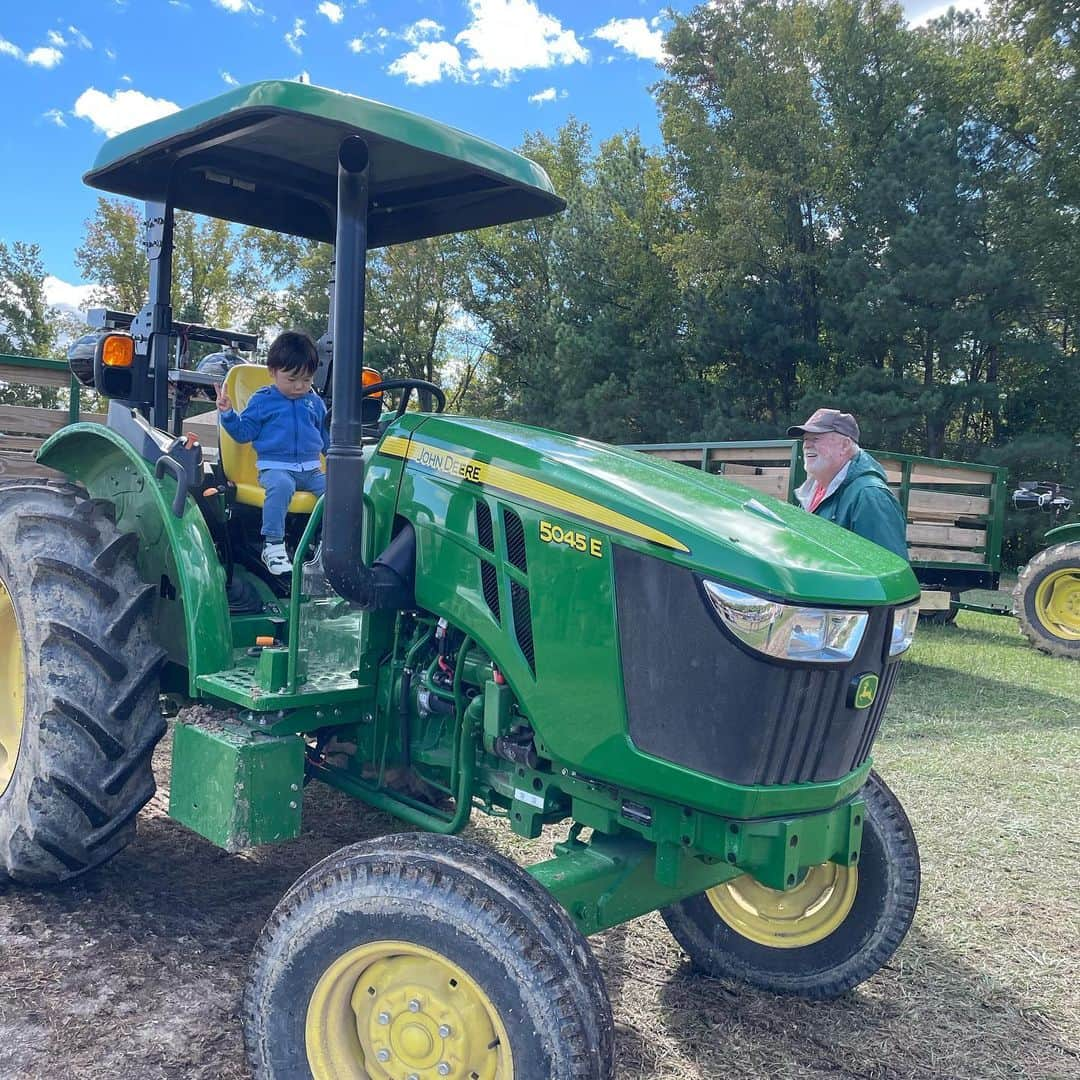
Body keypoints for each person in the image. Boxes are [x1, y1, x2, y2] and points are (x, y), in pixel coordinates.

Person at [216, 330, 328, 575]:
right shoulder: (263, 400)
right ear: (273, 372)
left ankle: (327, 545)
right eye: (292, 379)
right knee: (281, 486)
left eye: (307, 380)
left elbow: (325, 435)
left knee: (338, 492)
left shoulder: (314, 402)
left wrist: (338, 458)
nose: (300, 386)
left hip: (310, 470)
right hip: (275, 467)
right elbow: (244, 432)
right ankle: (273, 546)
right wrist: (228, 414)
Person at [786, 408, 908, 560]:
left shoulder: (870, 496)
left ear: (845, 445)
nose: (807, 445)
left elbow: (887, 569)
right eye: (805, 439)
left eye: (816, 439)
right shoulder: (812, 493)